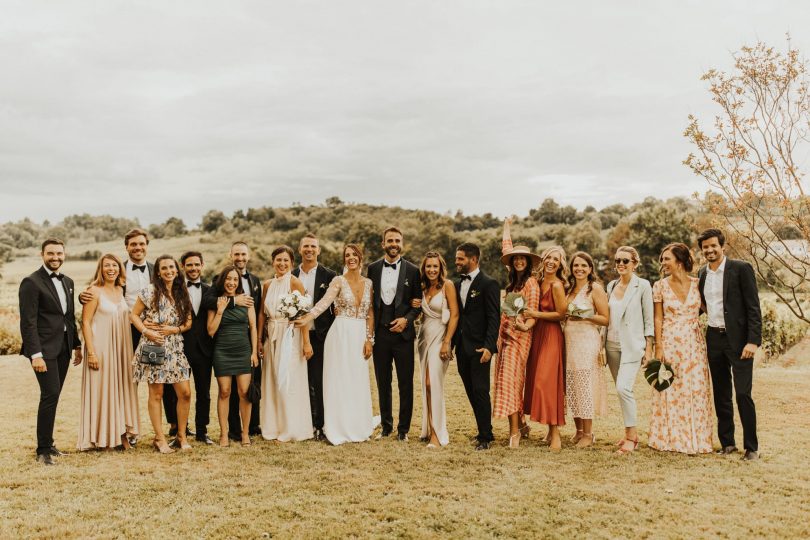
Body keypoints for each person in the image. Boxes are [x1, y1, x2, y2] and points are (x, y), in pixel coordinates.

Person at [294, 244, 377, 445]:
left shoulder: (369, 283)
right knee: (339, 379)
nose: (351, 258)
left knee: (357, 379)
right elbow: (324, 302)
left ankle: (357, 423)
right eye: (347, 255)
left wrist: (369, 339)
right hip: (340, 334)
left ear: (360, 257)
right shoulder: (338, 281)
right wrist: (308, 317)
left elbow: (370, 313)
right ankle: (338, 425)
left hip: (359, 336)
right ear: (344, 260)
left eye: (354, 255)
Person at [697, 229, 762, 461]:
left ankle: (752, 447)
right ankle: (728, 443)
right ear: (702, 250)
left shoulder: (741, 269)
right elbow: (700, 306)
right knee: (721, 393)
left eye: (713, 245)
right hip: (714, 339)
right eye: (705, 247)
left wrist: (753, 341)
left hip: (740, 341)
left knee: (743, 393)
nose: (710, 250)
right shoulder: (702, 273)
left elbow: (754, 307)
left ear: (722, 246)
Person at [19, 239, 82, 465]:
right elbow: (28, 322)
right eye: (50, 253)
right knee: (50, 394)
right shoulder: (31, 282)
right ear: (42, 254)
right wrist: (35, 355)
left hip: (64, 347)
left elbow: (69, 317)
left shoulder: (69, 282)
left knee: (53, 396)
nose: (55, 257)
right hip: (43, 351)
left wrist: (76, 344)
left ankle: (50, 443)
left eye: (59, 253)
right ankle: (43, 449)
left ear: (64, 254)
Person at [649, 243, 714, 455]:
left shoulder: (698, 284)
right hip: (669, 341)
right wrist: (658, 347)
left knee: (694, 388)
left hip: (694, 344)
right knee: (670, 389)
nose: (663, 263)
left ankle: (697, 438)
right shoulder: (659, 286)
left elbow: (710, 308)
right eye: (662, 259)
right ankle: (670, 437)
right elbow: (658, 317)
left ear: (679, 260)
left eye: (666, 258)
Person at [130, 255, 194, 454]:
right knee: (156, 393)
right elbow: (133, 315)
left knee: (185, 392)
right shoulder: (149, 291)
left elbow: (188, 321)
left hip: (175, 347)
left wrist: (175, 330)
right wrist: (146, 331)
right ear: (158, 271)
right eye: (164, 268)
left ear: (177, 270)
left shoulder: (182, 292)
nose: (168, 271)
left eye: (171, 267)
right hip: (153, 346)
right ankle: (159, 439)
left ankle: (181, 436)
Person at [77, 254, 140, 450]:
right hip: (101, 347)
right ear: (100, 269)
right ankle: (103, 438)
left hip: (121, 348)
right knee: (103, 390)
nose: (111, 269)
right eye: (107, 266)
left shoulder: (120, 289)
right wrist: (92, 352)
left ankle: (121, 435)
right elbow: (85, 322)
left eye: (115, 265)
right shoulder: (93, 291)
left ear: (120, 269)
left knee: (120, 389)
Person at [366, 227, 422, 441]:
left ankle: (403, 430)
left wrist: (406, 320)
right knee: (383, 381)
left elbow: (418, 303)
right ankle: (386, 426)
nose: (393, 244)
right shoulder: (372, 269)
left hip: (403, 336)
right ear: (383, 243)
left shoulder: (413, 270)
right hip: (380, 334)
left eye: (397, 240)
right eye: (390, 240)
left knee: (405, 383)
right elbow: (369, 301)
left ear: (402, 243)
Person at [258, 246, 314, 442]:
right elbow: (261, 314)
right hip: (271, 335)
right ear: (272, 262)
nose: (282, 264)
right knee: (272, 380)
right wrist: (259, 339)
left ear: (291, 263)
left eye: (285, 261)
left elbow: (305, 314)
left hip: (290, 335)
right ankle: (273, 426)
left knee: (289, 380)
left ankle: (292, 427)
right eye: (278, 260)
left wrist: (306, 343)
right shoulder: (267, 284)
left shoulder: (295, 282)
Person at [494, 218, 540, 449]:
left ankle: (514, 432)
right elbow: (506, 248)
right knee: (511, 380)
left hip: (520, 338)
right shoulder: (512, 282)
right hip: (504, 337)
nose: (519, 261)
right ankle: (521, 424)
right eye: (516, 258)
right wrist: (506, 226)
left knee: (509, 381)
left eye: (523, 258)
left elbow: (532, 315)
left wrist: (525, 326)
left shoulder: (531, 283)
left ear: (528, 262)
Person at [604, 246, 654, 455]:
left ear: (635, 263)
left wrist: (649, 349)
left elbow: (648, 319)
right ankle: (627, 433)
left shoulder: (642, 286)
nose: (621, 265)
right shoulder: (610, 286)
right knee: (621, 389)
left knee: (624, 388)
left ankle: (632, 437)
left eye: (625, 261)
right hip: (612, 345)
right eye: (618, 261)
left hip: (632, 346)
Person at [162, 251, 215, 445]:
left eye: (196, 265)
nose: (193, 268)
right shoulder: (174, 290)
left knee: (204, 392)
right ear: (182, 267)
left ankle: (202, 431)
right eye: (189, 265)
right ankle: (177, 428)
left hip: (204, 349)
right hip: (178, 347)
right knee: (173, 391)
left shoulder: (211, 290)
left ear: (202, 266)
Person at [519, 246, 568, 451]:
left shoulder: (557, 285)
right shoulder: (536, 281)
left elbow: (561, 314)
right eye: (548, 257)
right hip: (536, 334)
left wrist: (536, 314)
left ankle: (556, 434)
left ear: (560, 264)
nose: (551, 262)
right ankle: (549, 432)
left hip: (551, 335)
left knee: (547, 384)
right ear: (543, 260)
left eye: (556, 259)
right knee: (535, 381)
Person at [452, 243, 500, 451]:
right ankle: (484, 428)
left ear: (473, 259)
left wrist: (489, 347)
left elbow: (493, 317)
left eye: (461, 259)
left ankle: (485, 437)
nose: (457, 262)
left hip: (480, 348)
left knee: (481, 391)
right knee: (470, 390)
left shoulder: (489, 284)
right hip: (462, 346)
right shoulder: (455, 285)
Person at [292, 233, 337, 440]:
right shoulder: (291, 275)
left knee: (318, 381)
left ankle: (320, 425)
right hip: (294, 337)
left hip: (320, 336)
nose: (309, 250)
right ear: (300, 250)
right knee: (299, 381)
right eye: (306, 246)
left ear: (318, 250)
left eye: (313, 246)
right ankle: (303, 423)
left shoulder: (330, 276)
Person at [208, 265, 259, 447]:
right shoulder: (216, 302)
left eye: (235, 280)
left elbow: (253, 327)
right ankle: (224, 434)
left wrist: (254, 352)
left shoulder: (247, 301)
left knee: (244, 393)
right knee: (224, 392)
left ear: (239, 282)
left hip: (243, 349)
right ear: (223, 280)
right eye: (228, 279)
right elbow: (211, 331)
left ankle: (245, 434)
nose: (231, 282)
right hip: (222, 350)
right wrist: (220, 310)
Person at [563, 251, 609, 449]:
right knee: (572, 385)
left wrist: (585, 316)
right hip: (569, 341)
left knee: (584, 386)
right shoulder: (568, 288)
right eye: (576, 265)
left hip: (587, 341)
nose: (579, 269)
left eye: (583, 265)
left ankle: (589, 434)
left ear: (590, 269)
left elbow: (605, 318)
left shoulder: (595, 289)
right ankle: (579, 430)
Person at [415, 251, 459, 447]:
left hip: (441, 337)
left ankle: (437, 433)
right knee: (426, 384)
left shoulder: (447, 286)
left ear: (441, 268)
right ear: (424, 269)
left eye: (435, 266)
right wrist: (415, 306)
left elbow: (455, 315)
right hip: (424, 338)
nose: (431, 270)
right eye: (428, 266)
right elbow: (421, 317)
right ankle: (428, 427)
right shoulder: (423, 288)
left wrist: (447, 341)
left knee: (433, 383)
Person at [224, 241, 263, 440]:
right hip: (229, 338)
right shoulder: (221, 279)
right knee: (230, 388)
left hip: (252, 338)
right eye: (236, 254)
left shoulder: (256, 280)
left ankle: (253, 425)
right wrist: (234, 301)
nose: (240, 258)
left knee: (253, 383)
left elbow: (259, 313)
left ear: (248, 256)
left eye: (243, 254)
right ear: (230, 255)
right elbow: (210, 301)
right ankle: (233, 429)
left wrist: (258, 343)